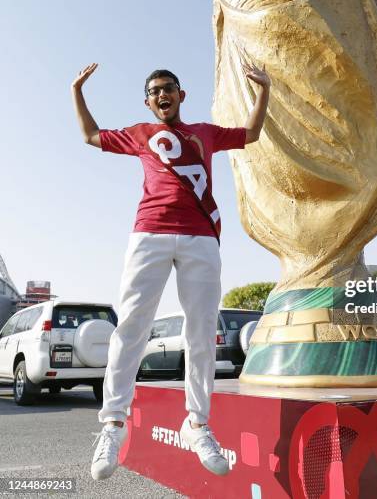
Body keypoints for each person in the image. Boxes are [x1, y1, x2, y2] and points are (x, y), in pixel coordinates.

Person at [70, 60, 270, 480]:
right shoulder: (141, 135)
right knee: (132, 327)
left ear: (181, 95)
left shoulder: (206, 133)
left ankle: (197, 423)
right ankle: (113, 424)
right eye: (155, 91)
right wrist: (78, 92)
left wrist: (264, 90)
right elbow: (90, 136)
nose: (163, 95)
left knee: (200, 333)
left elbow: (251, 134)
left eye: (170, 88)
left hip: (200, 236)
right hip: (149, 233)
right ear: (148, 101)